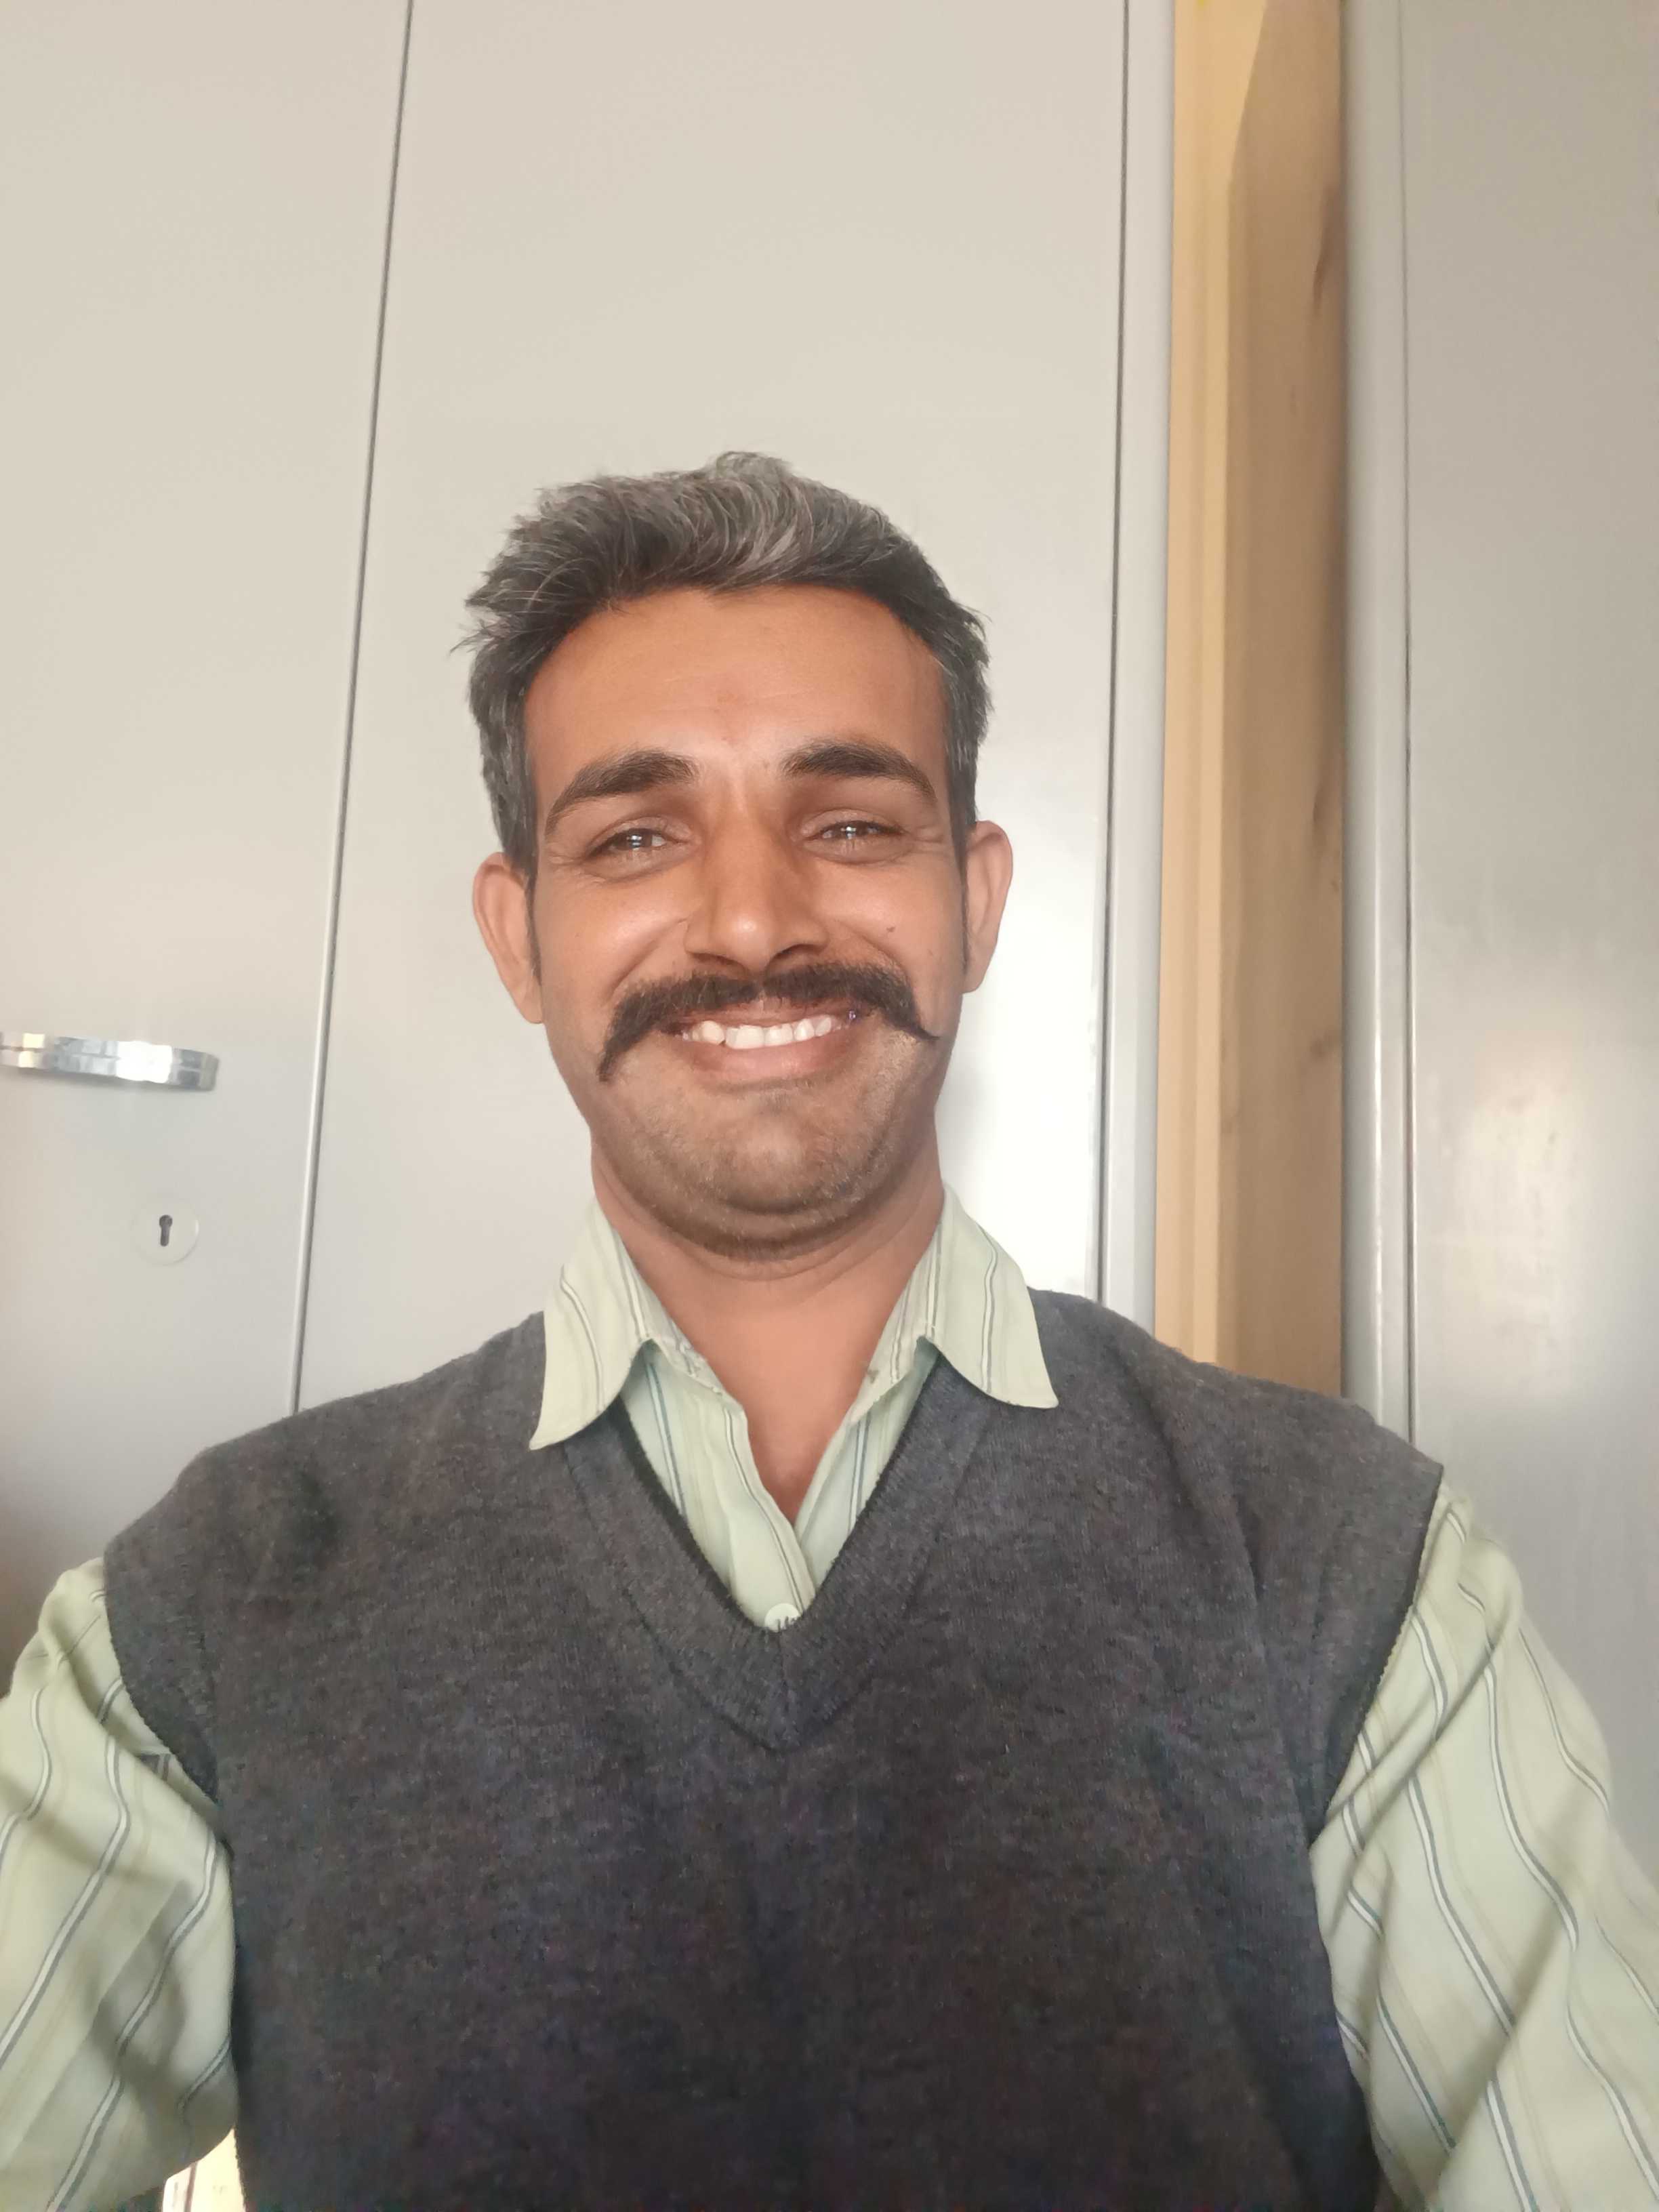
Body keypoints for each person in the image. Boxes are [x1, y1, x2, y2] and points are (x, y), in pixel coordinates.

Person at [3, 453, 1656, 2212]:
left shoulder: (1349, 1567)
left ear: (978, 901)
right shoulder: (211, 1608)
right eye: (637, 837)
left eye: (853, 823)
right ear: (519, 937)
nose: (752, 921)